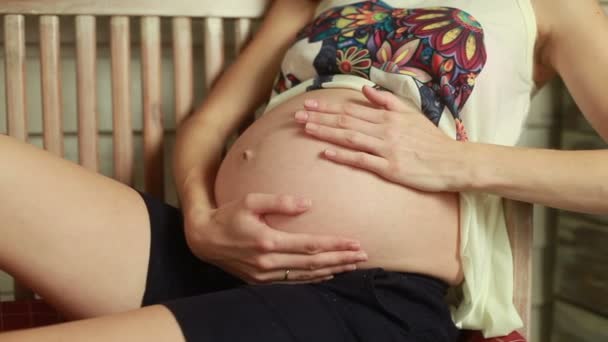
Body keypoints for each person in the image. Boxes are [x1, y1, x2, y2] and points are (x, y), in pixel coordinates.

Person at [1, 0, 607, 341]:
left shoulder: (553, 7)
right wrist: (201, 218)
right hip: (218, 257)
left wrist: (460, 162)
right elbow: (208, 126)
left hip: (366, 301)